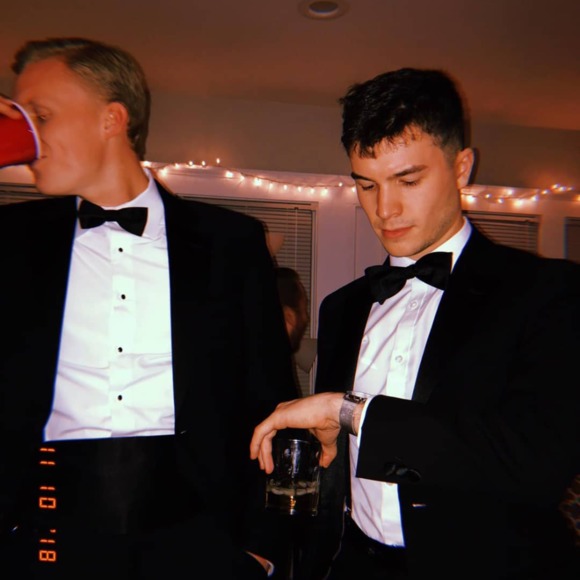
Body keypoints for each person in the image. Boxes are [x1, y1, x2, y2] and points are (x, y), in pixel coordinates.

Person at [250, 68, 580, 579]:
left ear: (462, 167)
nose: (385, 209)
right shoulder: (341, 308)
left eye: (408, 180)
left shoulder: (548, 291)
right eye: (366, 184)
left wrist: (348, 410)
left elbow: (537, 466)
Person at [0, 37, 297, 579]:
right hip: (44, 530)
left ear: (111, 119)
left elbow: (271, 396)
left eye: (41, 114)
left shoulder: (231, 242)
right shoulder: (9, 241)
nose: (27, 133)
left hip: (199, 534)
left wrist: (261, 547)